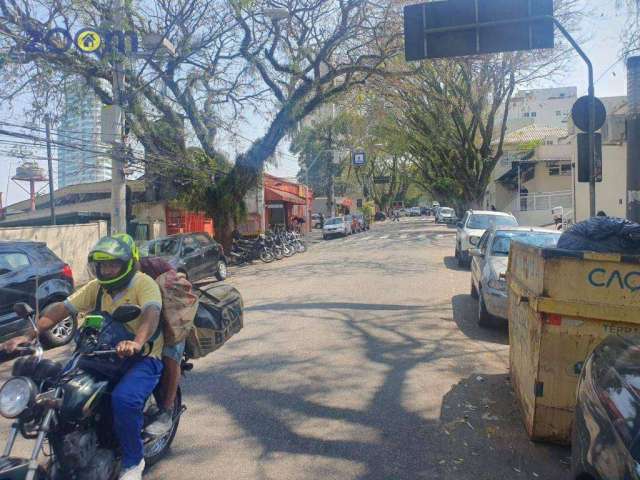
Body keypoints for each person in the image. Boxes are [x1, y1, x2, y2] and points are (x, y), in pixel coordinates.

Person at [1, 234, 164, 480]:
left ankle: (133, 462)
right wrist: (31, 334)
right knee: (59, 391)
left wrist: (137, 342)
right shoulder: (96, 287)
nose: (107, 270)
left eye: (113, 265)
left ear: (127, 264)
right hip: (101, 353)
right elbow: (62, 308)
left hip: (142, 357)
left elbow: (151, 314)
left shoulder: (143, 283)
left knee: (124, 399)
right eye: (102, 265)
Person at [140, 256, 186, 437]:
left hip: (171, 320)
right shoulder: (113, 277)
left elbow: (179, 278)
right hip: (143, 322)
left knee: (170, 358)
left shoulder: (153, 265)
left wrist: (174, 279)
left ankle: (166, 410)